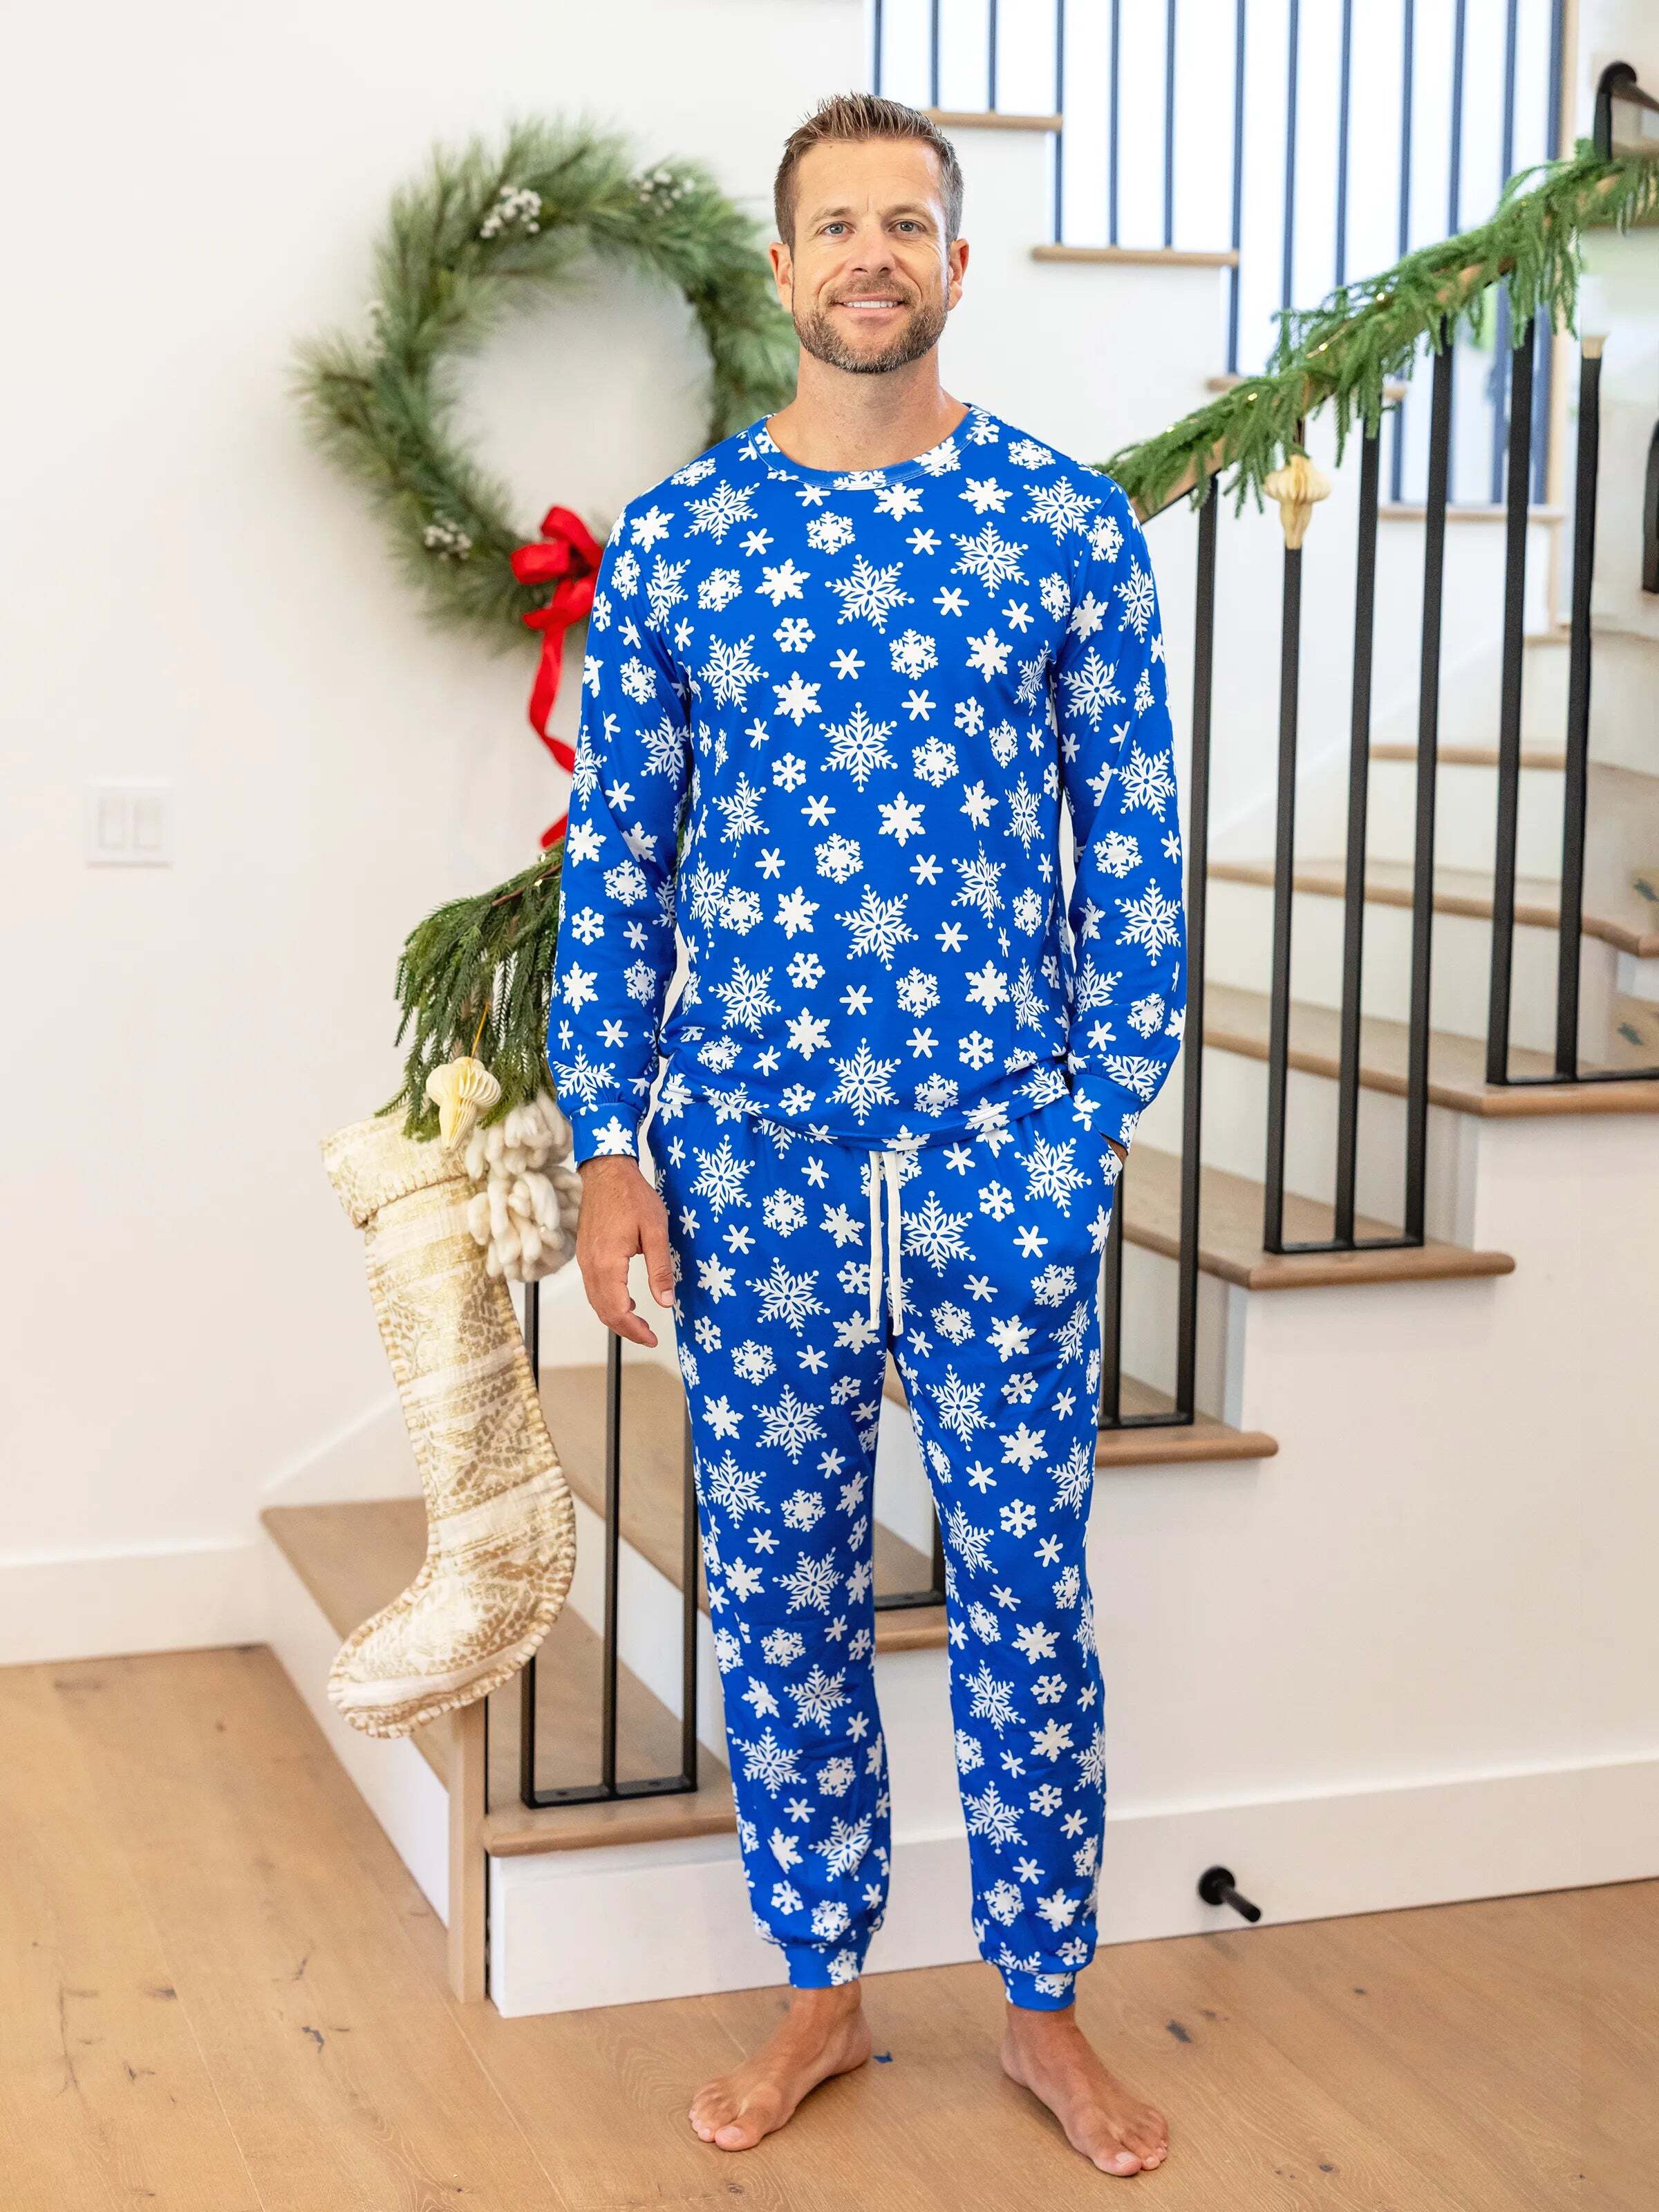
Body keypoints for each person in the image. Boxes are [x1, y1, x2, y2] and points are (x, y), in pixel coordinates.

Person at [547, 91, 1181, 2179]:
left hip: (999, 1165)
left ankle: (1044, 2011)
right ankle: (821, 1992)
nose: (873, 256)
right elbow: (619, 870)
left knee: (1029, 1601)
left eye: (908, 222)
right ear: (783, 267)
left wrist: (1092, 1117)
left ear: (958, 263)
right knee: (785, 1600)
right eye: (837, 225)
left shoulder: (1064, 526)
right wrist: (612, 1147)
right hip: (754, 1173)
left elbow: (1138, 843)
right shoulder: (682, 542)